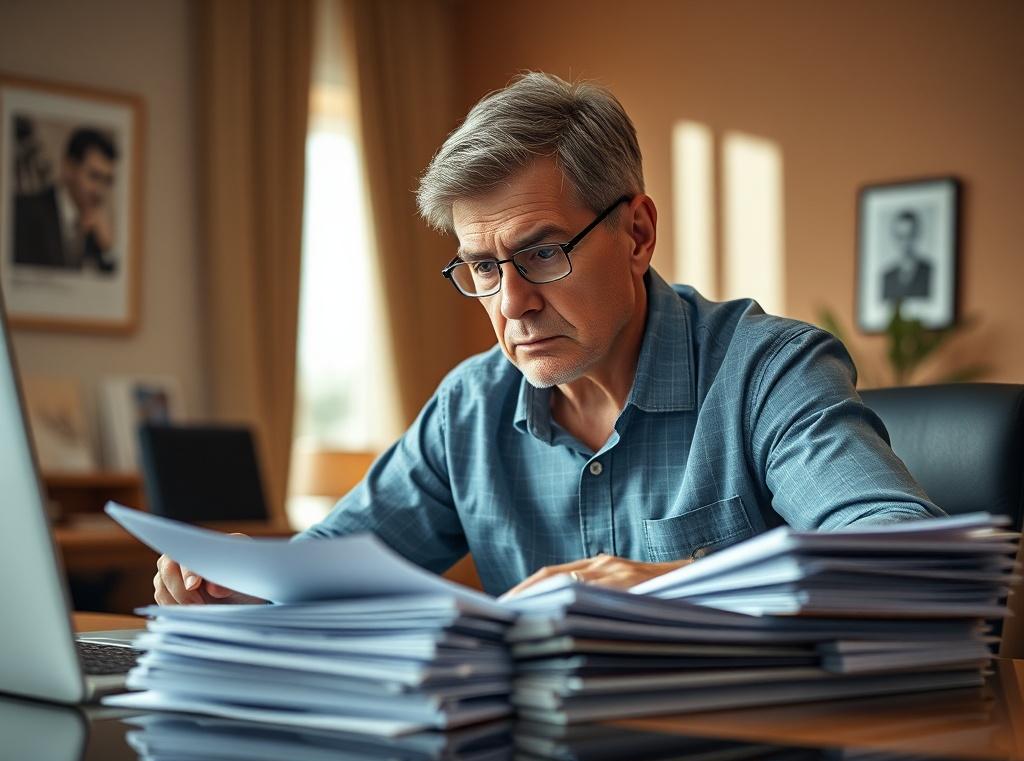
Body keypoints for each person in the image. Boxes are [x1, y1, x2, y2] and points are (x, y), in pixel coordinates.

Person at [153, 72, 942, 607]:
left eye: (541, 252)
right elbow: (332, 565)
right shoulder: (472, 408)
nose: (514, 302)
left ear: (636, 233)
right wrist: (240, 578)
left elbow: (908, 567)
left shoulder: (769, 373)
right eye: (482, 268)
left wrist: (668, 588)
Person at [13, 127, 118, 274]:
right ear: (68, 168)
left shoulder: (97, 231)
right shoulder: (25, 210)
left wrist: (107, 249)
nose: (100, 190)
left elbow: (109, 287)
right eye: (94, 176)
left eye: (107, 180)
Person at [881, 210, 933, 301]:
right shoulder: (887, 277)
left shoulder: (929, 271)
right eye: (901, 237)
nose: (905, 243)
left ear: (917, 235)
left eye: (910, 235)